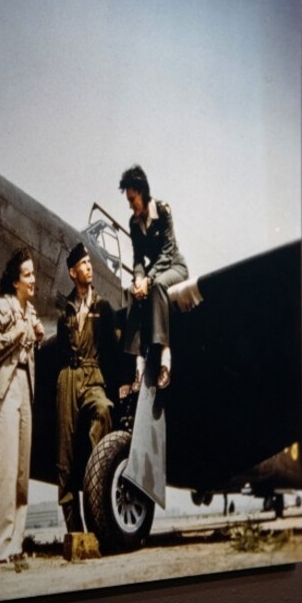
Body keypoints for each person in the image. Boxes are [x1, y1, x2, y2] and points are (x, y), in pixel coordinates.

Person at [0, 248, 44, 562]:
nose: (34, 280)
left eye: (33, 274)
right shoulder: (1, 307)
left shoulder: (30, 312)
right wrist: (18, 333)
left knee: (20, 472)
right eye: (28, 275)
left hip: (25, 389)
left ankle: (15, 545)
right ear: (15, 281)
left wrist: (36, 336)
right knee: (3, 470)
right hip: (4, 390)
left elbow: (28, 348)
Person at [55, 243, 116, 532]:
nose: (90, 267)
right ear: (72, 272)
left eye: (90, 262)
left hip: (93, 374)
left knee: (103, 410)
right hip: (68, 377)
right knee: (65, 455)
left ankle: (97, 496)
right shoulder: (64, 311)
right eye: (83, 263)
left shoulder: (103, 307)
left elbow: (113, 348)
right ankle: (74, 530)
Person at [119, 165, 188, 389]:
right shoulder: (133, 223)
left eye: (132, 199)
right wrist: (139, 279)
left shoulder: (163, 211)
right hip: (152, 272)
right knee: (132, 292)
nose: (130, 205)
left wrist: (148, 280)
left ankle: (165, 363)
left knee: (158, 285)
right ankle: (138, 369)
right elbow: (138, 258)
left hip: (175, 267)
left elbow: (168, 253)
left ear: (142, 192)